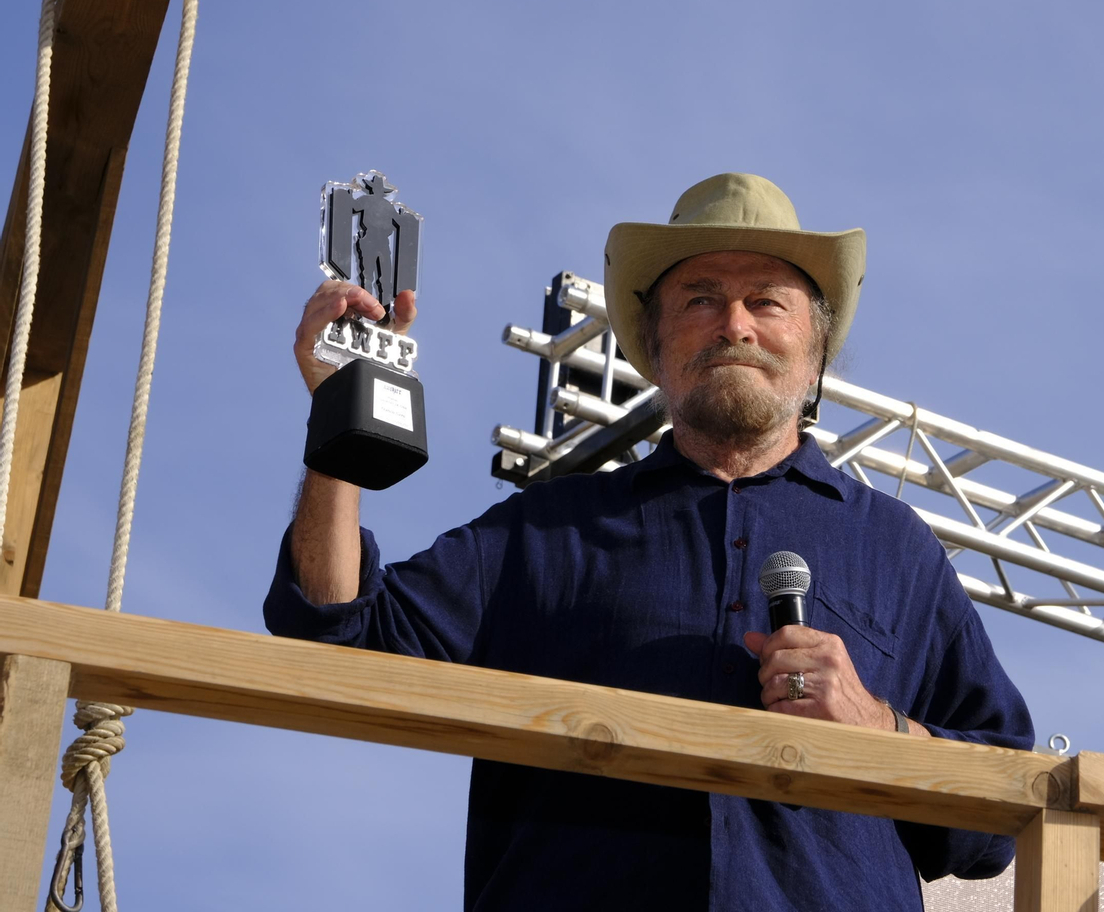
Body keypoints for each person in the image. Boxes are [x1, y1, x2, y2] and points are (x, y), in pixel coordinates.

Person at [265, 172, 1034, 911]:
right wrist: (341, 411)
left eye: (766, 301)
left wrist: (881, 728)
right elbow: (337, 632)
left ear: (817, 353)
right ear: (655, 350)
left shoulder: (896, 549)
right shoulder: (546, 531)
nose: (735, 324)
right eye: (701, 299)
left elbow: (1004, 813)